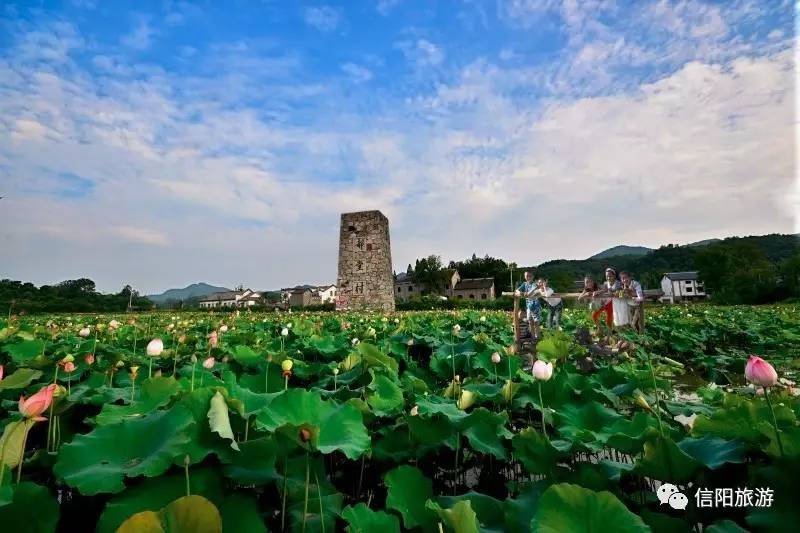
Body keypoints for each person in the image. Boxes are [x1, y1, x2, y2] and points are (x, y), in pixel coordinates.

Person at [591, 267, 621, 332]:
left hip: (613, 303)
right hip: (604, 302)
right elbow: (603, 290)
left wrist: (615, 293)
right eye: (607, 276)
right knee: (594, 315)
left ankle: (610, 334)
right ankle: (600, 329)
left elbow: (619, 291)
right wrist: (596, 292)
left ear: (614, 275)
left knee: (609, 319)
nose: (608, 278)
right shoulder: (605, 283)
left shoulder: (618, 283)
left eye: (610, 276)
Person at [514, 271, 541, 338]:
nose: (528, 277)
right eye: (527, 276)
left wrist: (524, 293)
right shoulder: (524, 284)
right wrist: (521, 293)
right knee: (530, 322)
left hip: (535, 306)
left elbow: (529, 293)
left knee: (536, 322)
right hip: (529, 306)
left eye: (530, 276)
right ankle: (533, 337)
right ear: (525, 277)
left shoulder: (535, 284)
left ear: (533, 277)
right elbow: (517, 290)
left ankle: (538, 337)